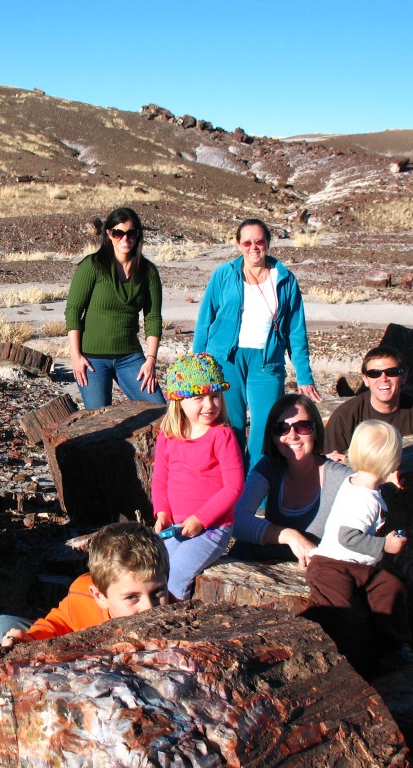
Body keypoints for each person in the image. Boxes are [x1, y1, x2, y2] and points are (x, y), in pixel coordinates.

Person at [193, 218, 321, 472]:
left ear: (268, 244)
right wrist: (198, 364)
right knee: (232, 424)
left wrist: (304, 374)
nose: (253, 247)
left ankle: (256, 486)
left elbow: (296, 331)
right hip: (226, 360)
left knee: (265, 427)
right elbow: (205, 320)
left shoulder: (285, 279)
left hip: (267, 361)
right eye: (247, 242)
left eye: (259, 241)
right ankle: (231, 482)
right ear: (238, 244)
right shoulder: (224, 274)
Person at [306, 420, 413, 668]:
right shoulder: (362, 499)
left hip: (360, 566)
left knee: (390, 587)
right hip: (332, 565)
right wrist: (385, 545)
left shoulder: (360, 482)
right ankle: (335, 655)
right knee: (337, 609)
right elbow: (348, 537)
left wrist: (389, 481)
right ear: (391, 461)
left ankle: (396, 645)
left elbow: (372, 487)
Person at [0, 521, 169, 648]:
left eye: (158, 592)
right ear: (100, 597)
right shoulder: (82, 595)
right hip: (74, 654)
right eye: (132, 597)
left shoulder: (174, 616)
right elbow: (57, 624)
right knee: (0, 627)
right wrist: (29, 638)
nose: (149, 607)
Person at [151, 353, 243, 599]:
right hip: (176, 526)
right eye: (198, 398)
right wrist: (162, 513)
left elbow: (234, 486)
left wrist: (202, 519)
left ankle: (176, 616)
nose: (209, 405)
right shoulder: (168, 435)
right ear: (179, 401)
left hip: (212, 528)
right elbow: (160, 479)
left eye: (215, 396)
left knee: (176, 577)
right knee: (153, 571)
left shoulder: (222, 436)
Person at [231, 394, 352, 566]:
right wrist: (290, 536)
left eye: (303, 427)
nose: (293, 435)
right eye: (282, 428)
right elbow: (237, 518)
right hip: (262, 564)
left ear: (316, 431)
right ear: (273, 436)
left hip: (316, 572)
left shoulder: (340, 478)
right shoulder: (270, 467)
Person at [65, 207, 166, 410]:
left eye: (131, 233)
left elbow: (153, 317)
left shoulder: (148, 272)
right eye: (119, 233)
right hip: (92, 359)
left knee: (159, 411)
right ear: (109, 234)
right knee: (99, 419)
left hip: (130, 357)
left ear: (138, 235)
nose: (125, 238)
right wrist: (76, 356)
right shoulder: (92, 266)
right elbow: (73, 311)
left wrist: (151, 360)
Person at [325, 345, 413, 459]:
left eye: (392, 372)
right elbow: (329, 461)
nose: (383, 379)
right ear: (365, 379)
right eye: (374, 374)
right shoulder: (346, 415)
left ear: (403, 376)